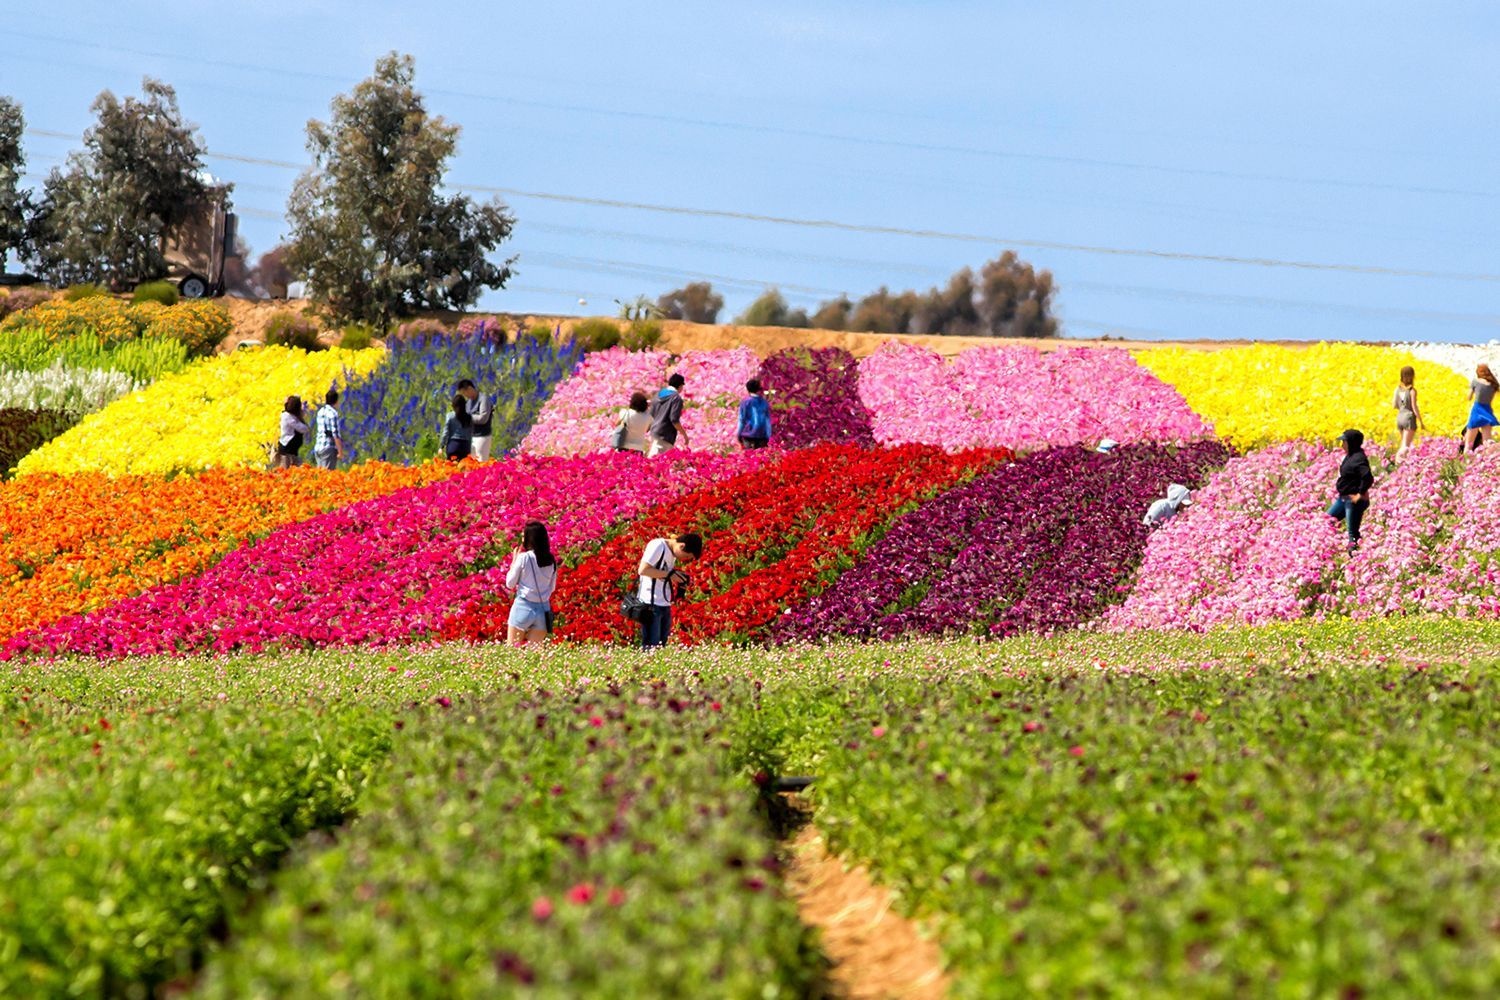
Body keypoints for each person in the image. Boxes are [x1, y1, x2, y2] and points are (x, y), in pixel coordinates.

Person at [636, 532, 702, 647]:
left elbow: (662, 572)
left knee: (661, 646)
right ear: (681, 546)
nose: (684, 559)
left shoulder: (671, 553)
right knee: (652, 646)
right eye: (686, 556)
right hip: (650, 604)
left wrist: (677, 576)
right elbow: (643, 570)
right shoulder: (658, 546)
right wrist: (670, 575)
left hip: (664, 604)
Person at [505, 520, 557, 646]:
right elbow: (552, 588)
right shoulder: (551, 560)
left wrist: (513, 563)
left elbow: (510, 584)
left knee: (512, 650)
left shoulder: (524, 558)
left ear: (530, 538)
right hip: (542, 609)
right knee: (534, 654)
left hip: (523, 607)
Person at [1329, 429, 1373, 553]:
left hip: (1353, 500)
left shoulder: (1358, 458)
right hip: (1343, 498)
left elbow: (1367, 477)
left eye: (1344, 442)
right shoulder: (1351, 456)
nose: (1342, 445)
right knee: (1327, 522)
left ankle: (1356, 556)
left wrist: (1360, 494)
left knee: (1352, 533)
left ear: (1351, 443)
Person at [647, 373, 689, 457]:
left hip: (654, 431)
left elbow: (651, 415)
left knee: (654, 457)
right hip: (665, 434)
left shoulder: (658, 395)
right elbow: (674, 419)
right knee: (656, 460)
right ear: (680, 386)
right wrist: (684, 434)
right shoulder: (676, 398)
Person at [457, 379, 495, 461]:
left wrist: (468, 417)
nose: (465, 395)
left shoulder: (483, 399)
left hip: (482, 436)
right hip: (472, 436)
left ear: (470, 389)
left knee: (481, 461)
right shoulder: (468, 403)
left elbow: (483, 418)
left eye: (464, 393)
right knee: (472, 463)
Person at [1465, 364, 1499, 453]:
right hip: (1487, 412)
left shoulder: (1475, 381)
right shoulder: (1493, 384)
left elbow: (1468, 397)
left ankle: (1466, 461)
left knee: (1469, 443)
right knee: (1487, 443)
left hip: (1477, 410)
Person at [1393, 366, 1424, 459]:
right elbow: (1414, 407)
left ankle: (1403, 466)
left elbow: (1394, 405)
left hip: (1400, 417)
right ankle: (1397, 461)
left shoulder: (1397, 389)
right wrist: (1421, 421)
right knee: (1405, 446)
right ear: (1413, 376)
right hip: (1409, 419)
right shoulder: (1412, 391)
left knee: (1403, 443)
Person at [272, 395, 309, 470]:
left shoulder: (290, 416)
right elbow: (303, 429)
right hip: (287, 450)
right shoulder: (288, 417)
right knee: (285, 472)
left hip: (291, 451)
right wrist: (301, 416)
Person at [312, 388, 344, 470]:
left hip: (318, 447)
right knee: (327, 476)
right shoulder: (333, 413)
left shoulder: (320, 411)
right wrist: (340, 452)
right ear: (336, 401)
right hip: (328, 448)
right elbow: (335, 434)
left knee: (320, 475)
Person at [737, 378, 773, 449]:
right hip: (761, 435)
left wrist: (739, 434)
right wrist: (768, 435)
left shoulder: (745, 402)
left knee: (748, 456)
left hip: (747, 434)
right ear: (758, 389)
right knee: (761, 457)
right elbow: (767, 420)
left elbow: (742, 419)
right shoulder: (764, 402)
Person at [440, 393, 473, 462]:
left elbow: (445, 433)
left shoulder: (450, 416)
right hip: (465, 447)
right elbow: (470, 434)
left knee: (451, 468)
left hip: (453, 446)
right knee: (464, 469)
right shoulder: (469, 417)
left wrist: (441, 446)